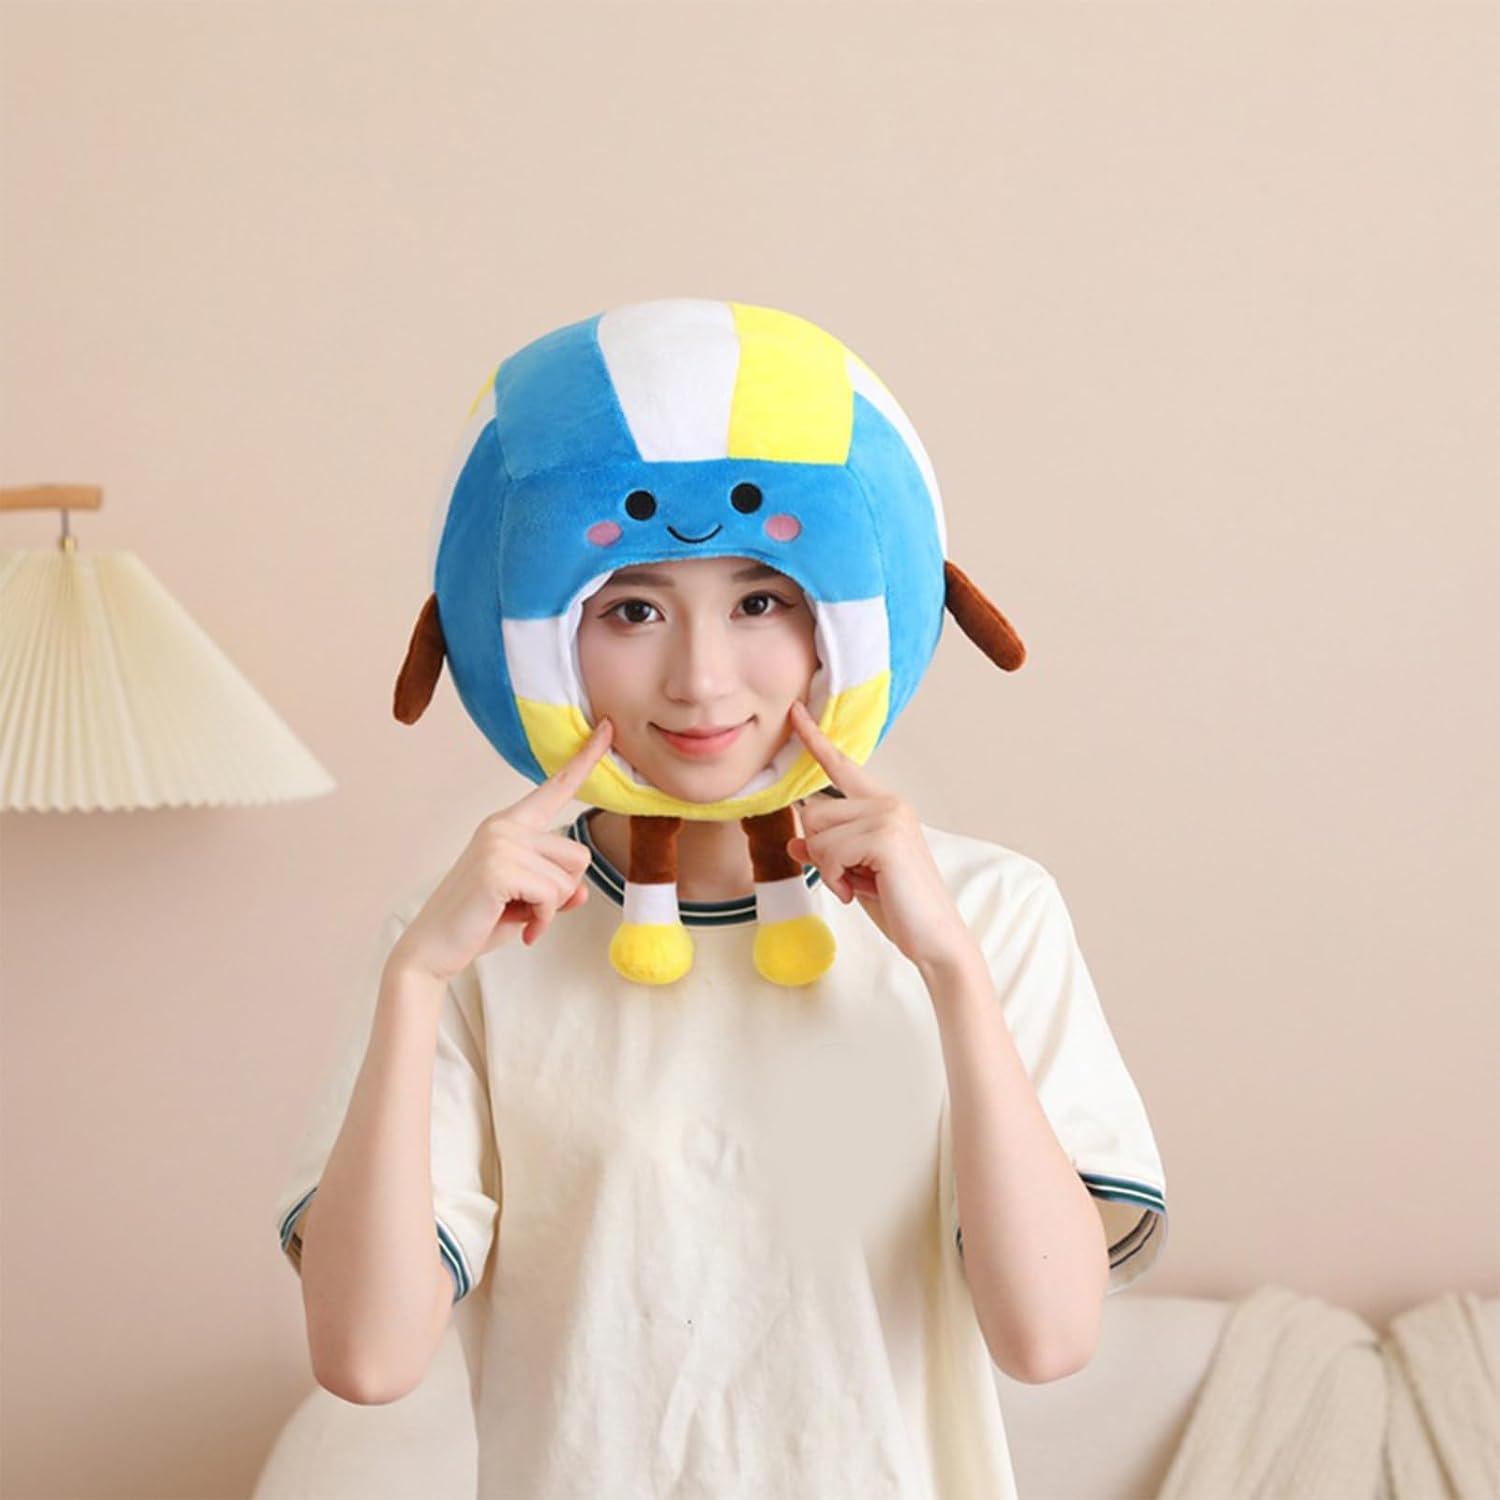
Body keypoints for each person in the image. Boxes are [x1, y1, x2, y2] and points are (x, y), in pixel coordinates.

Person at [274, 549, 1168, 1500]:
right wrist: (417, 977)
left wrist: (951, 968)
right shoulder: (471, 936)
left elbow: (1047, 1338)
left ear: (834, 629)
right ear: (553, 641)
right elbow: (367, 1359)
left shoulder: (991, 910)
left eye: (760, 602)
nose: (699, 679)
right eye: (632, 612)